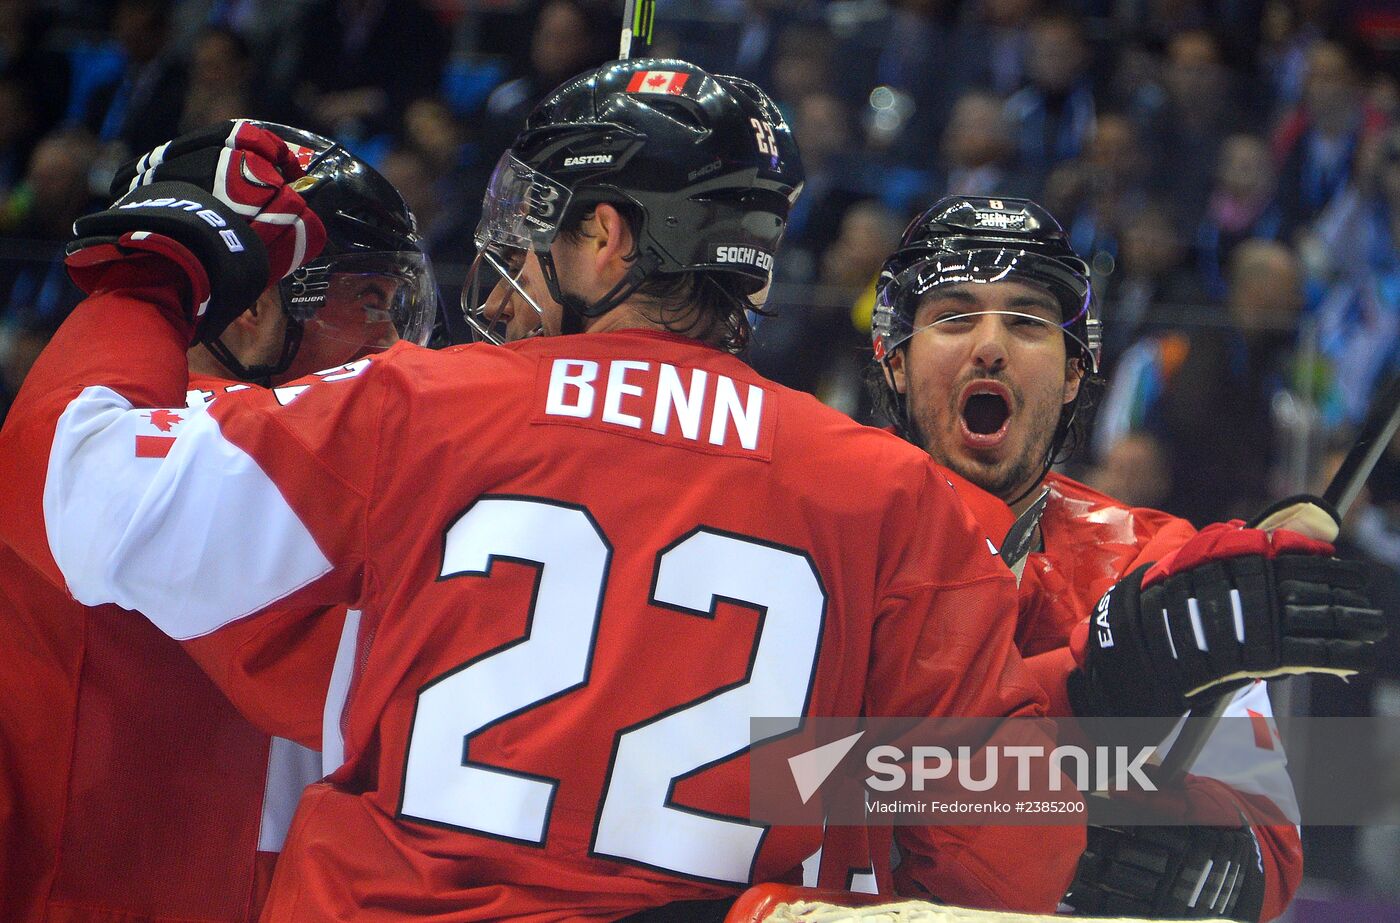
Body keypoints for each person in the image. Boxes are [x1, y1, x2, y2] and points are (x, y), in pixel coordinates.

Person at [0, 64, 1083, 920]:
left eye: (552, 217)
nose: (526, 243)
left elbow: (80, 496)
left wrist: (161, 266)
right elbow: (1007, 851)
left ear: (606, 236)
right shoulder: (890, 492)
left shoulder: (423, 403)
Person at [854, 195, 1385, 920]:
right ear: (894, 360)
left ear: (1076, 371)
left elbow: (1268, 864)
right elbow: (782, 777)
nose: (990, 344)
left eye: (1028, 320)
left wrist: (1165, 866)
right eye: (953, 316)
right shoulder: (820, 527)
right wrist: (1102, 680)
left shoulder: (1157, 562)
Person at [0, 120, 437, 923]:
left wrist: (144, 287)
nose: (393, 340)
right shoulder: (240, 453)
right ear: (251, 309)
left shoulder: (101, 431)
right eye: (370, 300)